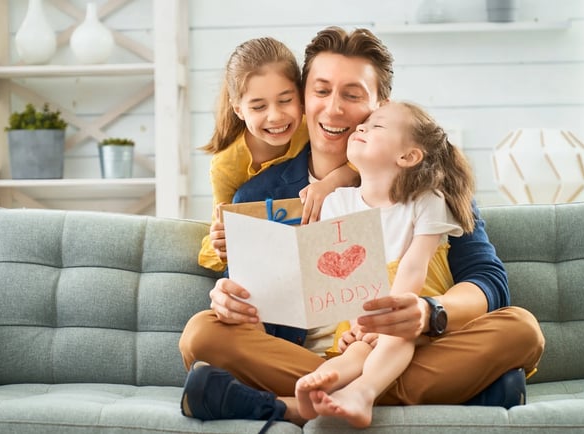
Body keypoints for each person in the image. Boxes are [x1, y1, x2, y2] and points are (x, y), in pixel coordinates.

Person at [180, 26, 545, 429]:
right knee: (201, 334)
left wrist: (427, 312)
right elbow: (250, 297)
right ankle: (455, 392)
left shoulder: (427, 182)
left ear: (380, 105)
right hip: (308, 358)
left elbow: (487, 279)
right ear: (304, 98)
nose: (334, 110)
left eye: (352, 95)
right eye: (321, 91)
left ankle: (293, 406)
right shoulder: (261, 191)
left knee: (521, 329)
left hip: (403, 347)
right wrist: (234, 303)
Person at [295, 100, 477, 428]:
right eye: (363, 124)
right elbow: (345, 279)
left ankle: (362, 392)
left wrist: (389, 322)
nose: (361, 127)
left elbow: (414, 267)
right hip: (360, 316)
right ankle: (318, 387)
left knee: (397, 337)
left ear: (408, 156)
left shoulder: (427, 200)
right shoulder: (338, 203)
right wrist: (358, 326)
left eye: (376, 126)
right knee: (355, 353)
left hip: (413, 313)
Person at [197, 36, 356, 273]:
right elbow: (221, 226)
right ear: (238, 109)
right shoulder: (225, 166)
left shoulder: (310, 126)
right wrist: (220, 243)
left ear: (301, 97)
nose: (275, 116)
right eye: (259, 106)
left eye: (285, 100)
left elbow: (369, 155)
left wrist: (331, 183)